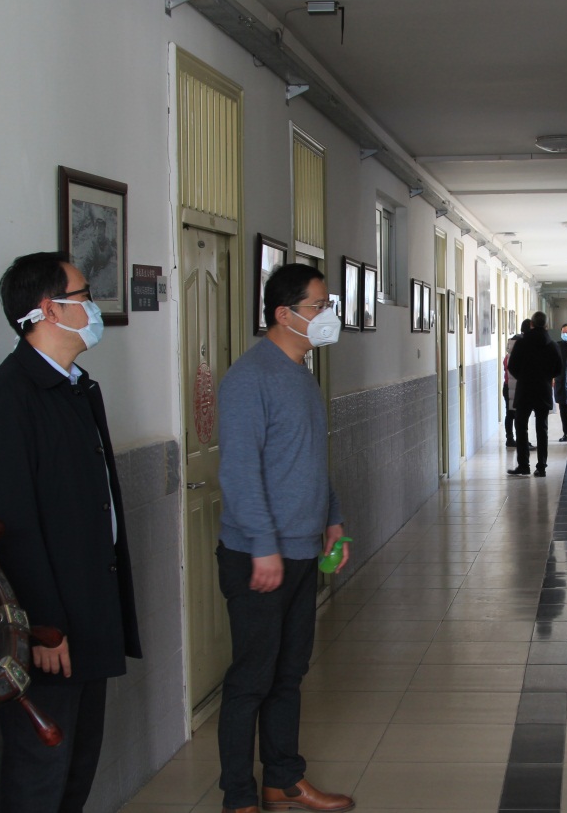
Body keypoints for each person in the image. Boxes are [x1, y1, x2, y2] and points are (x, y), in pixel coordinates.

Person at [0, 252, 141, 813]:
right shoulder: (7, 397)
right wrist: (41, 627)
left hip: (88, 611)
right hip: (47, 632)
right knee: (41, 770)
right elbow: (8, 525)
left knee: (78, 763)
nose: (94, 307)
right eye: (84, 295)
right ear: (49, 309)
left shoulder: (75, 387)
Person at [216, 263, 354, 813]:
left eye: (327, 305)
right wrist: (263, 546)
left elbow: (310, 459)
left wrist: (333, 518)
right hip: (259, 556)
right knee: (251, 679)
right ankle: (238, 797)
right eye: (319, 306)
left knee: (289, 674)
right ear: (284, 314)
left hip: (300, 549)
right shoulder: (249, 378)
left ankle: (283, 780)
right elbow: (239, 472)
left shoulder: (302, 373)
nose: (328, 315)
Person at [507, 311, 561, 478]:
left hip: (525, 389)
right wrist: (546, 377)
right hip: (543, 390)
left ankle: (523, 465)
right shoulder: (552, 345)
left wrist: (523, 377)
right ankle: (541, 467)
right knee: (542, 428)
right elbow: (558, 368)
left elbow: (512, 366)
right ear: (546, 325)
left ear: (531, 324)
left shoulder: (522, 344)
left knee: (521, 427)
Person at [504, 319, 531, 448]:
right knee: (521, 416)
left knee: (510, 414)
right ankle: (522, 441)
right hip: (521, 387)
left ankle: (510, 439)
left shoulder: (509, 351)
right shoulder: (525, 346)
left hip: (508, 386)